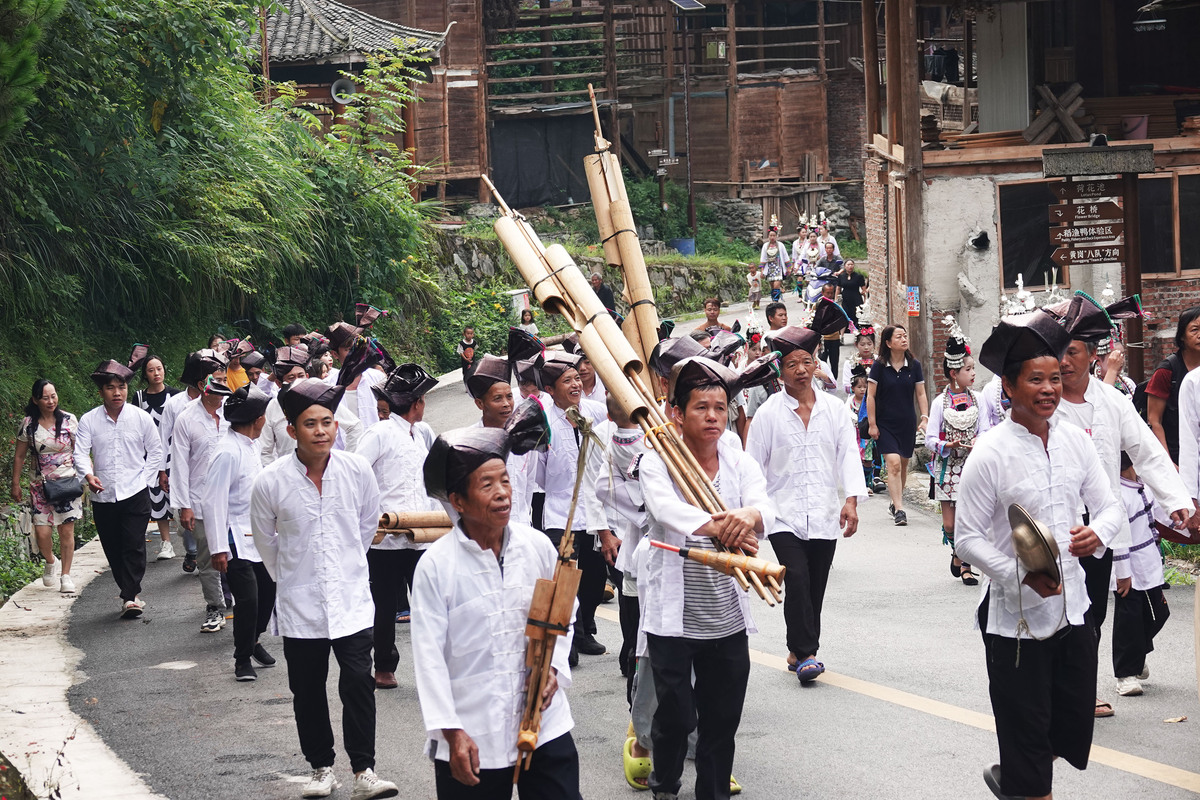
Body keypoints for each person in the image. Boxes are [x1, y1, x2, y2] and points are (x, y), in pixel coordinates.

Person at [955, 311, 1123, 800]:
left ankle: (1016, 773)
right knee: (1028, 743)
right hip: (1016, 626)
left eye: (1055, 378)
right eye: (1036, 380)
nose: (1049, 389)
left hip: (1074, 614)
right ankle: (1024, 778)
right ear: (1008, 386)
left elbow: (1109, 504)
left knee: (1066, 732)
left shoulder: (1075, 440)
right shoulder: (990, 453)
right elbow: (966, 539)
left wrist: (1098, 533)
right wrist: (1017, 576)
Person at [412, 403, 581, 800]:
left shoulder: (537, 546)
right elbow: (429, 658)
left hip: (543, 721)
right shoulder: (436, 566)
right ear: (458, 501)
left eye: (504, 481)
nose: (503, 493)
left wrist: (553, 669)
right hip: (473, 730)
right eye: (487, 485)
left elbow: (564, 616)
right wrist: (451, 732)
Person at [250, 379, 399, 800]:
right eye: (310, 423)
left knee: (357, 683)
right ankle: (320, 768)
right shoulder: (270, 481)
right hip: (301, 605)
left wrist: (342, 568)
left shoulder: (356, 471)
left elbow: (367, 525)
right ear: (292, 431)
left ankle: (364, 771)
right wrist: (296, 578)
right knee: (308, 689)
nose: (321, 431)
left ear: (337, 427)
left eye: (327, 423)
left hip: (351, 600)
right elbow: (266, 543)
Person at [1047, 292, 1192, 718]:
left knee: (1091, 609)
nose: (1064, 361)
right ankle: (1055, 684)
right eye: (1058, 352)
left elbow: (1146, 451)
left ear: (1092, 356)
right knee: (1055, 605)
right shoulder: (1043, 400)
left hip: (1101, 526)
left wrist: (1177, 499)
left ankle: (1081, 688)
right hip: (1052, 524)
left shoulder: (1111, 402)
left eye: (1072, 352)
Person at [638, 356, 775, 800]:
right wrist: (722, 526)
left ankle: (712, 793)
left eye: (720, 406)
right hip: (674, 620)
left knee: (722, 720)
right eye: (701, 407)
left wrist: (749, 516)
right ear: (677, 413)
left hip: (725, 617)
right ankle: (665, 784)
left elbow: (763, 505)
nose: (713, 416)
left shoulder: (737, 458)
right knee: (677, 716)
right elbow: (666, 510)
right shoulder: (658, 458)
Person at [746, 326, 866, 683]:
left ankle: (797, 648)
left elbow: (848, 457)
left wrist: (851, 500)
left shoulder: (834, 410)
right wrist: (753, 513)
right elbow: (752, 466)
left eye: (806, 362)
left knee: (815, 584)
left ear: (815, 366)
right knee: (796, 577)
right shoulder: (768, 413)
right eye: (792, 364)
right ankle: (808, 653)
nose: (800, 369)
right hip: (782, 512)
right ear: (780, 371)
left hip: (825, 511)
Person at [357, 363, 440, 690]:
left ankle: (433, 666)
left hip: (422, 534)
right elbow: (357, 473)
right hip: (385, 537)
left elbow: (435, 476)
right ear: (416, 402)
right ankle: (384, 666)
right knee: (385, 605)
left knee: (429, 604)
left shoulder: (422, 433)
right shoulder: (378, 433)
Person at [536, 351, 615, 662]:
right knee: (565, 577)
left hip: (596, 511)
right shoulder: (544, 421)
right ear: (551, 390)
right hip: (561, 512)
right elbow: (539, 472)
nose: (575, 384)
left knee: (595, 580)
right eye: (566, 380)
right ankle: (568, 642)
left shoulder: (596, 412)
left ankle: (585, 630)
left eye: (577, 378)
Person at [74, 360, 164, 618]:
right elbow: (80, 452)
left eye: (121, 387)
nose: (117, 393)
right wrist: (88, 475)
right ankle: (128, 591)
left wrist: (146, 480)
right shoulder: (89, 420)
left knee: (134, 543)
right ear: (101, 391)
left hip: (135, 491)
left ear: (127, 389)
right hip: (103, 494)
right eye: (111, 388)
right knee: (113, 546)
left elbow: (156, 450)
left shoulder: (140, 418)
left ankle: (130, 596)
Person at [202, 384, 277, 681]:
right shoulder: (227, 452)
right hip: (234, 535)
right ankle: (242, 658)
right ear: (257, 419)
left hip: (258, 533)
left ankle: (254, 638)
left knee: (268, 594)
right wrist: (219, 548)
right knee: (248, 599)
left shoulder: (252, 445)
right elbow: (213, 501)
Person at [925, 318, 989, 587]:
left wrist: (978, 442)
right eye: (968, 369)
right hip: (947, 468)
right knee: (950, 525)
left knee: (968, 520)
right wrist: (945, 446)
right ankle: (956, 552)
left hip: (971, 466)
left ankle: (965, 565)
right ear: (954, 373)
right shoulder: (941, 402)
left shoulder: (979, 399)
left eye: (973, 368)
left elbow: (986, 430)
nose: (973, 373)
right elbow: (929, 438)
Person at [172, 371, 232, 633]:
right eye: (217, 383)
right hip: (201, 500)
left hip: (234, 499)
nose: (223, 388)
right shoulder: (186, 418)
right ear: (202, 386)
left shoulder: (233, 413)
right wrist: (184, 505)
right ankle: (215, 607)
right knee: (208, 558)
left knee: (239, 554)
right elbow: (179, 464)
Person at [1111, 454, 1172, 698]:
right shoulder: (1117, 494)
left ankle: (1137, 656)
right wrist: (1122, 573)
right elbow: (1118, 539)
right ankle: (1125, 675)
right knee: (1129, 620)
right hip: (1128, 567)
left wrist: (1184, 520)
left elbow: (1162, 513)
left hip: (1149, 561)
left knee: (1160, 612)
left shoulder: (1143, 484)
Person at [11, 379, 80, 593]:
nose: (51, 401)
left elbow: (80, 451)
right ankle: (51, 561)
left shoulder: (69, 420)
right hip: (40, 485)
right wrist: (15, 483)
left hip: (67, 482)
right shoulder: (29, 424)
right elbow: (20, 456)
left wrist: (89, 476)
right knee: (42, 533)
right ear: (35, 400)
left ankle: (66, 576)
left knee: (66, 531)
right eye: (45, 397)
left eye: (53, 395)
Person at [866, 324, 928, 527]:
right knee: (892, 464)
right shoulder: (879, 365)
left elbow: (920, 393)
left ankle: (895, 502)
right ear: (888, 343)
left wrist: (925, 417)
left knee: (902, 464)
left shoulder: (914, 365)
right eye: (898, 336)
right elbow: (871, 396)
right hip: (885, 424)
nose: (903, 339)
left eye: (904, 336)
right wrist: (873, 424)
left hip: (906, 423)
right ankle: (900, 510)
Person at [468, 353, 536, 526]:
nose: (507, 404)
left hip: (522, 530)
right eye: (497, 398)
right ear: (480, 404)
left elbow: (528, 489)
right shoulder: (469, 443)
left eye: (509, 396)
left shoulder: (524, 438)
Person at [133, 352, 180, 561]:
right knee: (157, 498)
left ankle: (189, 541)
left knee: (177, 496)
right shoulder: (139, 398)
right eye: (151, 370)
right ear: (145, 374)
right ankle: (166, 543)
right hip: (150, 456)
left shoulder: (175, 396)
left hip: (175, 454)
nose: (156, 373)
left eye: (159, 369)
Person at [1145, 306, 1200, 465]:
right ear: (1182, 336)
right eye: (1194, 330)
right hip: (1177, 455)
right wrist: (1168, 463)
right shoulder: (1167, 371)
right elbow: (1154, 420)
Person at [758, 225, 789, 303]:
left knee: (776, 286)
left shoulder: (780, 245)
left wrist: (789, 267)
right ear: (768, 236)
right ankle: (774, 300)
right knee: (772, 287)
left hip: (778, 268)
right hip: (770, 269)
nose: (772, 237)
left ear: (776, 236)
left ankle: (775, 301)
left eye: (774, 235)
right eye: (771, 235)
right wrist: (762, 270)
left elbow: (785, 256)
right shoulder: (765, 246)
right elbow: (763, 258)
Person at [832, 259, 866, 325]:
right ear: (845, 266)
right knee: (845, 313)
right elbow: (838, 288)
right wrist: (836, 299)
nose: (850, 266)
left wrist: (864, 298)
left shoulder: (859, 276)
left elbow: (863, 289)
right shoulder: (841, 276)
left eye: (851, 264)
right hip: (845, 298)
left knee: (856, 314)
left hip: (856, 297)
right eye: (848, 265)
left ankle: (856, 328)